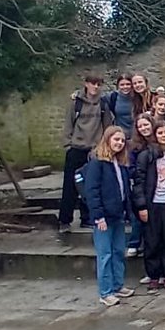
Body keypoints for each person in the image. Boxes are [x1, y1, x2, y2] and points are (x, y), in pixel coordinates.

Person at [132, 118, 165, 293]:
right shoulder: (146, 155)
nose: (164, 135)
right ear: (155, 135)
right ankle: (154, 276)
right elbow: (139, 183)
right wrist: (141, 206)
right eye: (160, 133)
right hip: (152, 204)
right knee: (152, 242)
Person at [83, 125, 134, 306]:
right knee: (104, 255)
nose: (119, 143)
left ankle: (118, 285)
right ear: (107, 140)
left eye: (122, 140)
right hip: (103, 217)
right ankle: (105, 292)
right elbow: (92, 191)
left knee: (118, 251)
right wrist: (98, 216)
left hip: (117, 214)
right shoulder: (97, 162)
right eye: (116, 139)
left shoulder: (119, 162)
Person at [59, 73, 112, 234]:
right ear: (86, 84)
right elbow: (68, 124)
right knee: (70, 185)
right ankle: (64, 220)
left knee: (91, 186)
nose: (95, 87)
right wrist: (68, 145)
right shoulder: (76, 103)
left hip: (94, 151)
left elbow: (107, 126)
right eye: (93, 84)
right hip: (76, 148)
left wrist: (102, 147)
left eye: (98, 84)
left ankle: (87, 218)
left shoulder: (103, 104)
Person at [126, 113, 156, 258]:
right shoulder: (133, 146)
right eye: (140, 126)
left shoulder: (159, 140)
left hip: (159, 185)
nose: (144, 128)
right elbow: (129, 167)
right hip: (141, 184)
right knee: (138, 215)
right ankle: (134, 242)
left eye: (146, 124)